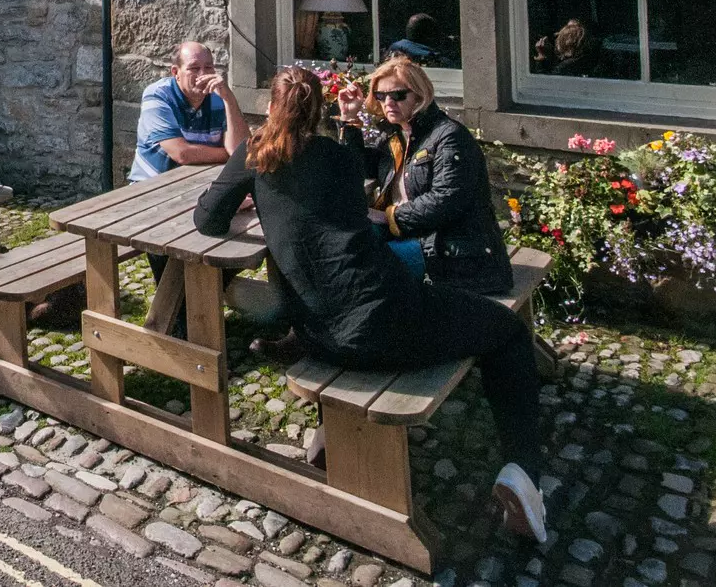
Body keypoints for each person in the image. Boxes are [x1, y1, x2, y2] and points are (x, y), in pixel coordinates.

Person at [194, 66, 548, 543]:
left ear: (271, 108)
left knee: (337, 295)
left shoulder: (253, 154)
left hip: (319, 334)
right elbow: (343, 189)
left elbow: (209, 220)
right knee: (506, 332)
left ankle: (326, 436)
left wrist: (251, 195)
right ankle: (524, 475)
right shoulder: (339, 160)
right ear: (318, 108)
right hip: (385, 318)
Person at [364, 55, 513, 296]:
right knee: (349, 242)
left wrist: (389, 216)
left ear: (420, 96)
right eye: (381, 96)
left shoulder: (449, 137)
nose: (388, 102)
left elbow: (446, 200)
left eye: (398, 95)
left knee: (365, 267)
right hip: (418, 239)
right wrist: (349, 122)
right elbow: (354, 169)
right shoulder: (395, 136)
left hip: (453, 255)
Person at [127, 41, 252, 182]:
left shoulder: (219, 97)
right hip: (151, 187)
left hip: (198, 183)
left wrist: (229, 100)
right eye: (194, 68)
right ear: (176, 72)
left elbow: (243, 150)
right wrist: (228, 155)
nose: (203, 74)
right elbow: (181, 153)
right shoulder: (158, 95)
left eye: (209, 67)